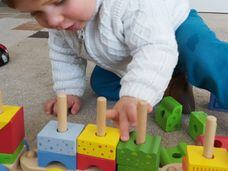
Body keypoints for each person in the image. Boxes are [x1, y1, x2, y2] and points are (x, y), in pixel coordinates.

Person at [3, 0, 228, 141]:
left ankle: (183, 73)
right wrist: (69, 90)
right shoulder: (61, 24)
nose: (52, 20)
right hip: (126, 54)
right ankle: (170, 78)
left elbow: (155, 47)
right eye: (36, 13)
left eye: (60, 1)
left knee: (207, 58)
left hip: (173, 30)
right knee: (101, 84)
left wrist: (135, 96)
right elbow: (64, 54)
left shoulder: (132, 5)